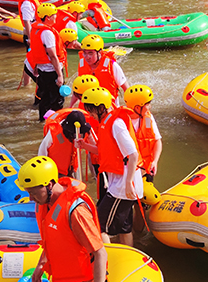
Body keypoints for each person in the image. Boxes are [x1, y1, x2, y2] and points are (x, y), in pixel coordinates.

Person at [82, 88, 142, 247]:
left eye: (91, 109)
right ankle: (127, 257)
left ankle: (107, 260)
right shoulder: (107, 122)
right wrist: (85, 146)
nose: (90, 113)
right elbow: (106, 151)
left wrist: (128, 182)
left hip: (124, 185)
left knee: (98, 225)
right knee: (124, 227)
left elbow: (133, 154)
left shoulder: (116, 123)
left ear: (101, 107)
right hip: (121, 181)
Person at [26, 2, 66, 120]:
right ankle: (56, 122)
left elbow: (36, 50)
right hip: (52, 70)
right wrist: (59, 75)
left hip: (42, 70)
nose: (56, 17)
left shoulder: (35, 29)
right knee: (58, 99)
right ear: (48, 17)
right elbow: (53, 55)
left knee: (45, 98)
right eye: (54, 15)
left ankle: (42, 121)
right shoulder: (47, 33)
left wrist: (36, 66)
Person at [38, 108, 97, 178]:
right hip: (56, 171)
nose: (75, 136)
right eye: (73, 134)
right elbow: (42, 153)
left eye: (79, 134)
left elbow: (96, 147)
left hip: (72, 167)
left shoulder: (87, 130)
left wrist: (85, 145)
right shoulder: (55, 132)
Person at [124, 84, 161, 182]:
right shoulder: (121, 123)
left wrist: (154, 162)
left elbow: (157, 141)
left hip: (147, 168)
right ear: (137, 108)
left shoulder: (147, 118)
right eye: (147, 104)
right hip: (130, 172)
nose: (149, 106)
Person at [77, 35, 127, 104]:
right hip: (90, 106)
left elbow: (126, 88)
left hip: (109, 106)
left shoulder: (112, 65)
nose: (87, 57)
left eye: (90, 53)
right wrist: (70, 106)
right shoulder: (82, 63)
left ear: (99, 52)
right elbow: (78, 88)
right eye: (84, 53)